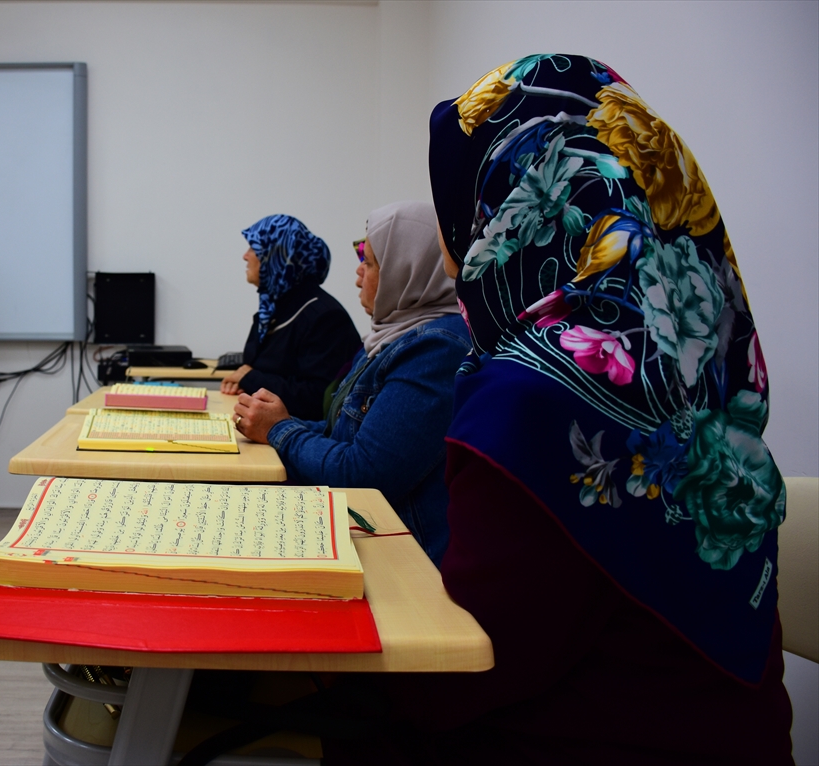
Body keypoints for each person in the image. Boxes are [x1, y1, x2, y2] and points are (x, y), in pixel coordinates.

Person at [316, 55, 794, 764]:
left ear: (516, 205)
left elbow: (454, 682)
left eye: (468, 204)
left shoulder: (531, 396)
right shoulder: (693, 353)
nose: (457, 247)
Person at [231, 201, 469, 566]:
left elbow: (363, 475)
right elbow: (339, 433)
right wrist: (270, 424)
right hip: (364, 531)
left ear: (407, 270)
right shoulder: (388, 338)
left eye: (370, 262)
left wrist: (278, 429)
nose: (358, 273)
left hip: (402, 559)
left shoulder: (436, 349)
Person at [219, 215, 361, 421]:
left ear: (277, 256)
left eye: (253, 248)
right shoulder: (272, 310)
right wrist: (246, 379)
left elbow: (317, 398)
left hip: (298, 437)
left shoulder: (325, 317)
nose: (245, 256)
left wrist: (251, 379)